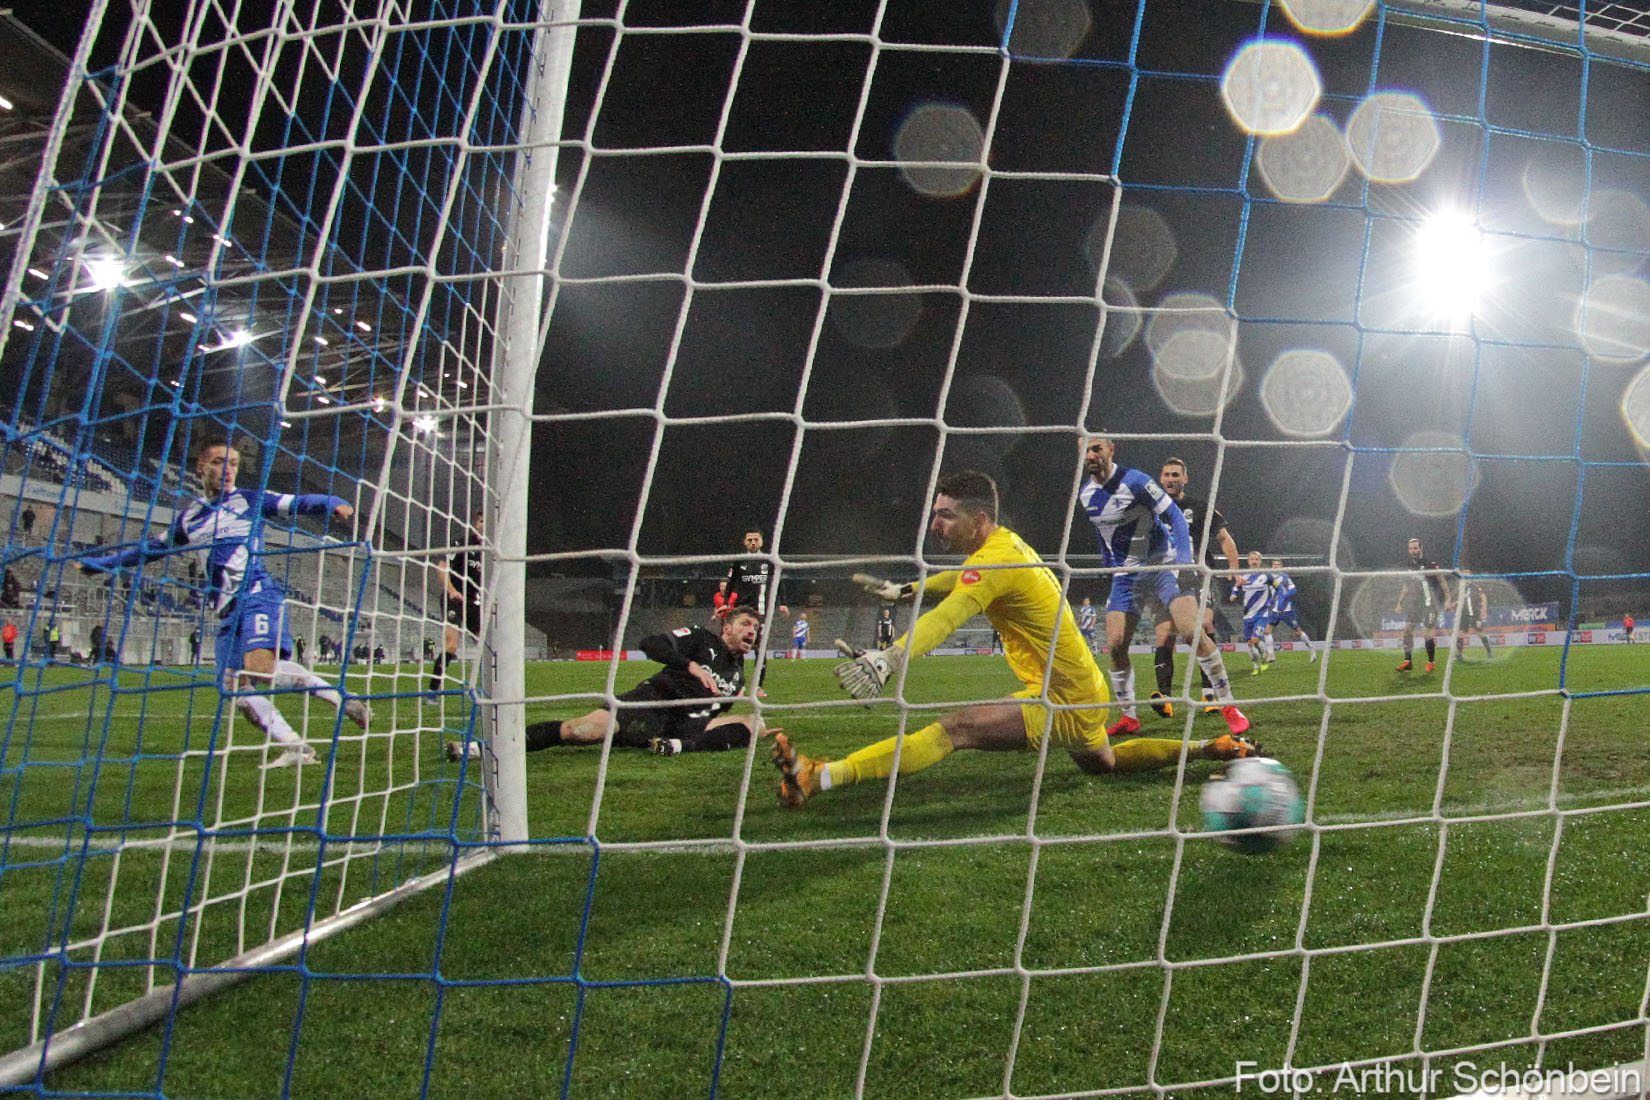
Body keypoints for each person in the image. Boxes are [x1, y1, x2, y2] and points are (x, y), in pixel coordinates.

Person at [769, 470, 1260, 807]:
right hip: (1082, 687)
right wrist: (909, 588)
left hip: (1061, 696)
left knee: (954, 729)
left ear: (977, 520)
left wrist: (892, 657)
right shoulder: (1003, 545)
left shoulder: (995, 560)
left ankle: (821, 775)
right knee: (1103, 763)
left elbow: (949, 615)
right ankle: (1207, 749)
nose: (935, 523)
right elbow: (956, 581)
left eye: (946, 515)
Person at [80, 438, 369, 767]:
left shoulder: (249, 500)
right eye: (219, 462)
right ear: (201, 467)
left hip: (258, 595)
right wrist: (101, 564)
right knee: (235, 688)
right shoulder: (189, 518)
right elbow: (148, 550)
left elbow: (298, 503)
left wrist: (333, 501)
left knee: (261, 671)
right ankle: (295, 747)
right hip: (227, 610)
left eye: (233, 463)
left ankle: (343, 699)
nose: (228, 469)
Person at [1077, 438, 1250, 737]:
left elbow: (1175, 519)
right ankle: (1129, 717)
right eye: (1085, 449)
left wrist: (1182, 560)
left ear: (1110, 450)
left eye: (1096, 448)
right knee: (1116, 644)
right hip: (1127, 574)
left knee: (1192, 632)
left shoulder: (1136, 481)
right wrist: (1109, 564)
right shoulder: (1086, 495)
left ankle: (1228, 706)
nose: (1091, 455)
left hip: (1164, 564)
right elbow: (1103, 534)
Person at [453, 606, 771, 761]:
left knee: (755, 722)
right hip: (649, 705)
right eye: (745, 624)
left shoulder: (738, 676)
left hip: (683, 728)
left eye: (755, 628)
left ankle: (676, 746)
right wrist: (688, 665)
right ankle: (482, 749)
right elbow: (650, 643)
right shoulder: (701, 638)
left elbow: (715, 712)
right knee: (581, 731)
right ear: (726, 627)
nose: (752, 631)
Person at [1150, 456, 1242, 717]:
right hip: (1163, 577)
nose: (1171, 479)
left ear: (1184, 479)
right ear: (1161, 478)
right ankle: (1165, 697)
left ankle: (1209, 695)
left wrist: (1234, 568)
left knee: (1204, 626)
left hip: (1197, 574)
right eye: (1167, 475)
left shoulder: (1200, 507)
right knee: (1164, 634)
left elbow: (1224, 539)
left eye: (1176, 475)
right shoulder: (1151, 509)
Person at [430, 509, 483, 702]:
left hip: (475, 602)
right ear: (474, 524)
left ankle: (482, 689)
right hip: (455, 599)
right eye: (480, 522)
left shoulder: (489, 551)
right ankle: (433, 691)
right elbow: (442, 566)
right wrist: (451, 589)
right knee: (451, 645)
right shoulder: (460, 544)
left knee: (485, 646)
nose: (483, 526)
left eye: (486, 522)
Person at [1394, 537, 1451, 672]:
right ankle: (1407, 661)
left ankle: (1431, 662)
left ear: (1421, 548)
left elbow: (1442, 581)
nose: (1413, 550)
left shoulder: (1430, 563)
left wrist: (1448, 599)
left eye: (1415, 548)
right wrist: (1399, 602)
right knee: (1407, 631)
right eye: (1411, 548)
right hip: (1416, 604)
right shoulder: (1409, 565)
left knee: (1427, 634)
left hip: (1431, 604)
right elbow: (1406, 586)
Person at [1267, 559, 1317, 663]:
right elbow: (1273, 593)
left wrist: (1283, 597)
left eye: (1278, 565)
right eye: (1274, 565)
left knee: (1297, 631)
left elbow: (1293, 590)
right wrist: (1271, 600)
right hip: (1275, 610)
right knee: (1267, 631)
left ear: (1281, 566)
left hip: (1286, 609)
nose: (1275, 566)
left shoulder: (1284, 577)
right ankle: (1271, 655)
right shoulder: (1270, 578)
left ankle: (1311, 648)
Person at [1234, 552, 1274, 674]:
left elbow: (1276, 588)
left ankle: (1266, 654)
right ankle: (1256, 666)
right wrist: (1233, 594)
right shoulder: (1244, 576)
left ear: (1260, 561)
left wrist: (1273, 601)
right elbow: (1236, 587)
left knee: (1255, 639)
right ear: (1249, 561)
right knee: (1250, 643)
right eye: (1252, 559)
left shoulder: (1267, 576)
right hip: (1247, 615)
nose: (1254, 561)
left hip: (1262, 614)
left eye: (1257, 559)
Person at [1452, 571, 1494, 659]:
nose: (1465, 577)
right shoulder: (1461, 588)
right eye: (1464, 575)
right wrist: (1455, 604)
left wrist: (1484, 608)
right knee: (1460, 634)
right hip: (1463, 615)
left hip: (1474, 614)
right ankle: (1460, 655)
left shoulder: (1475, 587)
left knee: (1480, 633)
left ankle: (1489, 653)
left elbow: (1483, 597)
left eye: (1467, 575)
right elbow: (1460, 600)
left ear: (1470, 576)